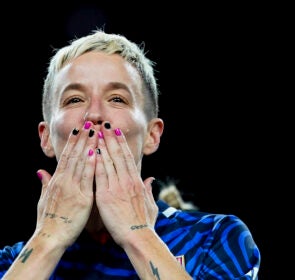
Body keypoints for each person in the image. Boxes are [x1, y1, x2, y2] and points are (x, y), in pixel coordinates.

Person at [0, 29, 261, 279]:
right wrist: (48, 240)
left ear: (152, 135)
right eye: (74, 100)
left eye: (117, 99)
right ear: (46, 137)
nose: (94, 114)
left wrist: (138, 235)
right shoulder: (12, 262)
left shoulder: (215, 238)